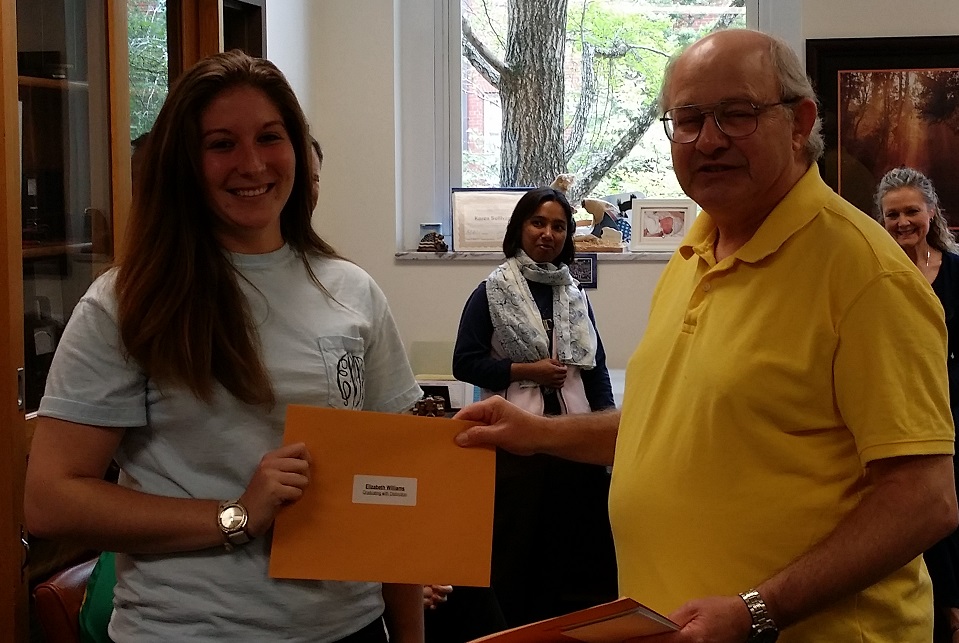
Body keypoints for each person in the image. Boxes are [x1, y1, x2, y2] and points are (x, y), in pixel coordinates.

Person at [454, 28, 958, 643]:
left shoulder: (866, 274)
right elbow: (668, 428)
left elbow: (923, 499)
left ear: (800, 123)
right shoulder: (694, 252)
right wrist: (535, 433)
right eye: (688, 119)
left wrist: (757, 611)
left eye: (737, 114)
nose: (709, 140)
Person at [24, 50, 424, 643]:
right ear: (185, 162)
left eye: (270, 137)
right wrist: (235, 515)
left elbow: (395, 489)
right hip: (189, 630)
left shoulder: (353, 291)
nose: (252, 163)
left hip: (351, 627)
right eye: (221, 144)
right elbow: (51, 500)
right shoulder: (127, 302)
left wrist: (409, 635)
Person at [451, 186, 618, 629]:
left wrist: (607, 437)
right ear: (519, 228)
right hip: (516, 450)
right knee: (515, 558)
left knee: (574, 560)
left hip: (574, 445)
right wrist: (527, 370)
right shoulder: (491, 292)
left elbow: (595, 368)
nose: (548, 233)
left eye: (559, 226)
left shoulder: (576, 295)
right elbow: (464, 362)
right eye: (538, 223)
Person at [874, 166, 959, 642]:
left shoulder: (956, 272)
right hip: (897, 410)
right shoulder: (874, 273)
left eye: (911, 211)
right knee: (917, 508)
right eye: (892, 215)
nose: (903, 222)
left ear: (931, 213)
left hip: (952, 405)